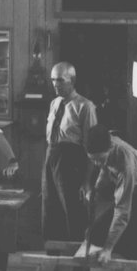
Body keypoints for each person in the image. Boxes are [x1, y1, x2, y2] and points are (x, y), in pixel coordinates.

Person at [79, 124, 137, 265]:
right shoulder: (106, 141)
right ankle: (131, 247)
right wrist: (96, 190)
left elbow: (122, 211)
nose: (96, 163)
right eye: (93, 160)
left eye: (99, 159)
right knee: (95, 235)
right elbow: (105, 167)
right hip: (136, 193)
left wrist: (108, 248)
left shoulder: (125, 163)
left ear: (110, 149)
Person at [43, 62, 98, 241]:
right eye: (53, 80)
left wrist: (87, 181)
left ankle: (76, 257)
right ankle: (53, 254)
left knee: (72, 212)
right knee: (50, 207)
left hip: (70, 162)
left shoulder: (85, 106)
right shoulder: (54, 103)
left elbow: (92, 148)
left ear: (72, 81)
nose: (55, 84)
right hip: (51, 158)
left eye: (60, 80)